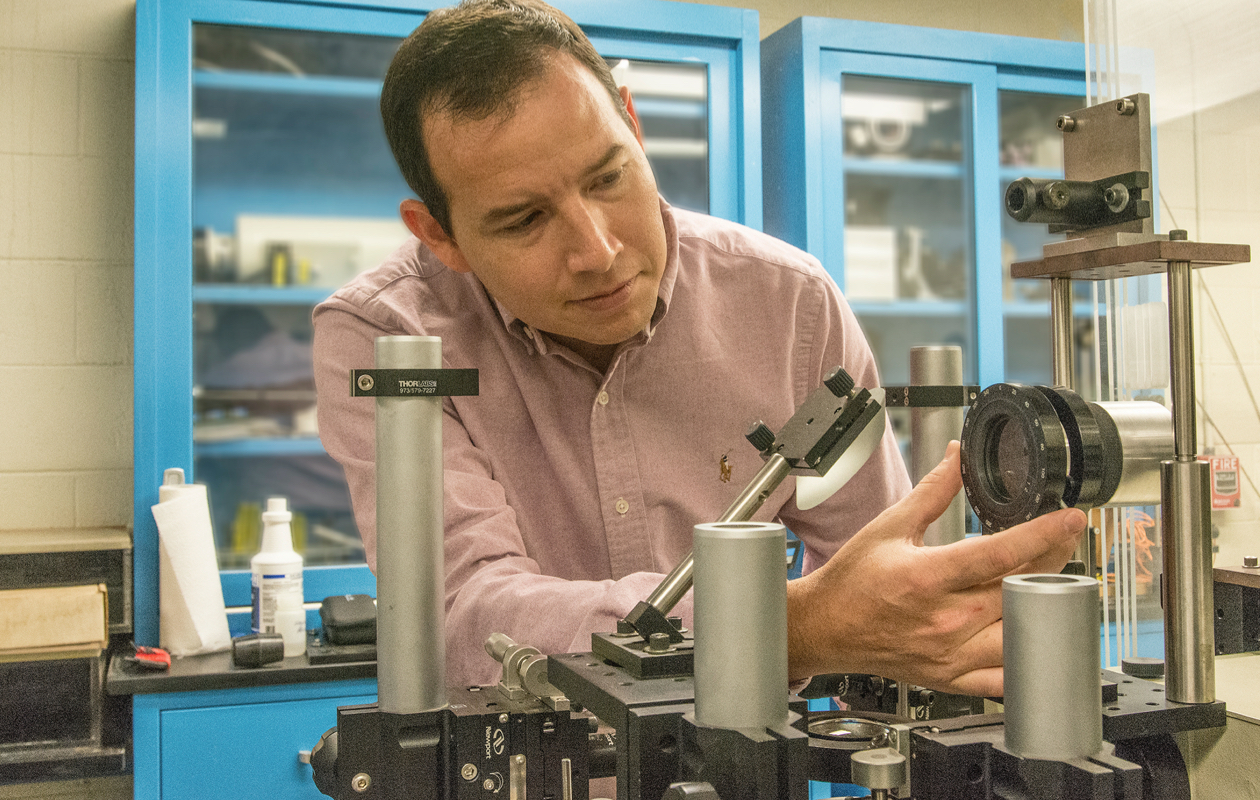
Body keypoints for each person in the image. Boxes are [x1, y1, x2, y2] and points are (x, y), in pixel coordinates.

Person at [313, 0, 1086, 694]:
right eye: (524, 220)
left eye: (608, 177)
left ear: (632, 122)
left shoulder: (788, 304)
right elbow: (463, 614)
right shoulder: (385, 335)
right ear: (438, 235)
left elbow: (872, 571)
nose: (598, 251)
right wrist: (788, 626)